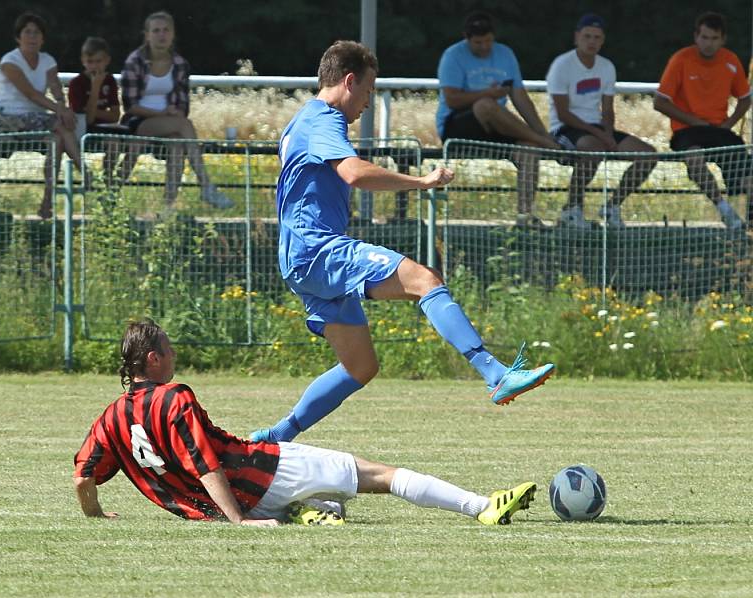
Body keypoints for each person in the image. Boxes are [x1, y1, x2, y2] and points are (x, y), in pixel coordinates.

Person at [249, 41, 554, 445]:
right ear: (349, 81)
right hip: (317, 249)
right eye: (370, 91)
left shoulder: (301, 120)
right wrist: (421, 182)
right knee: (424, 279)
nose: (368, 102)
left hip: (299, 258)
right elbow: (354, 173)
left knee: (360, 366)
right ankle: (496, 374)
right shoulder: (324, 120)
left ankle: (273, 438)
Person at [72, 319, 538, 527]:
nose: (175, 356)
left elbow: (83, 478)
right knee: (378, 474)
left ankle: (307, 511)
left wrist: (96, 514)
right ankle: (482, 506)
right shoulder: (173, 397)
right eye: (169, 350)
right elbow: (207, 464)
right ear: (153, 359)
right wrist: (238, 521)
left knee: (322, 502)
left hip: (210, 508)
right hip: (258, 473)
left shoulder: (110, 418)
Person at [436, 11, 560, 226]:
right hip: (457, 126)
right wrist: (487, 94)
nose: (484, 47)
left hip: (494, 125)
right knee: (486, 105)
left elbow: (520, 98)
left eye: (488, 41)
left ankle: (524, 216)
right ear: (466, 38)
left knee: (529, 149)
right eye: (478, 42)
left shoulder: (505, 54)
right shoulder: (452, 56)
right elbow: (452, 98)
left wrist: (541, 130)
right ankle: (546, 144)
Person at [546, 14, 656, 229]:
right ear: (576, 37)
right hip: (565, 128)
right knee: (592, 149)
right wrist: (600, 135)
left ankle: (612, 206)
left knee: (648, 155)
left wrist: (608, 132)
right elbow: (562, 112)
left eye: (597, 37)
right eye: (587, 36)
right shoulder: (562, 65)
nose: (592, 42)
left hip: (597, 128)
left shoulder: (607, 67)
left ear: (603, 40)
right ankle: (572, 209)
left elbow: (607, 108)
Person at [120, 11, 232, 209]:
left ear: (172, 34)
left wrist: (172, 115)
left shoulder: (180, 64)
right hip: (137, 122)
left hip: (171, 123)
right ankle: (206, 186)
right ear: (147, 35)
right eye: (156, 31)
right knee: (184, 126)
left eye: (166, 30)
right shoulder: (134, 61)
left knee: (177, 144)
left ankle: (166, 209)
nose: (161, 35)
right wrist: (163, 114)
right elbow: (130, 106)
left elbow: (182, 106)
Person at [654, 11, 749, 230]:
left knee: (747, 174)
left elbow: (745, 99)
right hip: (687, 131)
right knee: (694, 159)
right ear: (696, 37)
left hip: (720, 130)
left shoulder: (731, 60)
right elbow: (660, 102)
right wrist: (693, 121)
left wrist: (729, 123)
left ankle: (748, 225)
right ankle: (726, 211)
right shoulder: (680, 59)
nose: (709, 44)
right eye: (705, 37)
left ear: (723, 39)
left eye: (714, 39)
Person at [0, 12, 83, 219]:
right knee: (59, 125)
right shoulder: (9, 61)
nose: (32, 37)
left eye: (37, 33)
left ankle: (47, 202)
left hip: (39, 119)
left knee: (58, 138)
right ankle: (83, 170)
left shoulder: (47, 60)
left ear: (43, 38)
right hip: (11, 117)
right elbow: (31, 93)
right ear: (18, 37)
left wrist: (62, 104)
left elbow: (54, 86)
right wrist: (59, 111)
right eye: (28, 32)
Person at [67, 37, 121, 185]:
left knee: (114, 143)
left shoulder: (110, 81)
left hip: (102, 129)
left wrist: (92, 110)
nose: (94, 66)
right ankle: (88, 179)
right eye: (90, 62)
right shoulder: (76, 84)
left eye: (98, 61)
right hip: (81, 131)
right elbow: (88, 119)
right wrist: (96, 87)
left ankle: (108, 183)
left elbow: (115, 115)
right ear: (83, 61)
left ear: (107, 60)